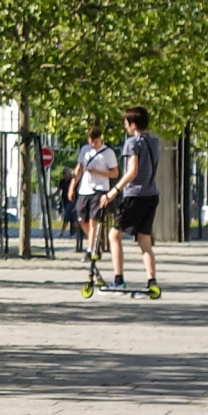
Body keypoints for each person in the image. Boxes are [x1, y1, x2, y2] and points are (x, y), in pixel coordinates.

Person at [111, 107, 162, 292]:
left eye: (126, 122)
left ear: (133, 124)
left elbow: (132, 171)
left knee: (114, 235)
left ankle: (118, 279)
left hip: (135, 195)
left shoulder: (132, 143)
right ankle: (152, 282)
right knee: (144, 240)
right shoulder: (154, 141)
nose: (125, 125)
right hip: (151, 194)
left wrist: (114, 191)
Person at [72, 129, 119, 268]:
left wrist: (97, 171)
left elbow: (115, 173)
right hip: (84, 189)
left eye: (95, 141)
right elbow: (79, 168)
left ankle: (90, 250)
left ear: (101, 139)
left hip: (99, 189)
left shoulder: (108, 153)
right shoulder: (85, 150)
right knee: (81, 219)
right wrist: (72, 186)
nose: (92, 143)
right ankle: (95, 243)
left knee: (93, 220)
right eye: (90, 141)